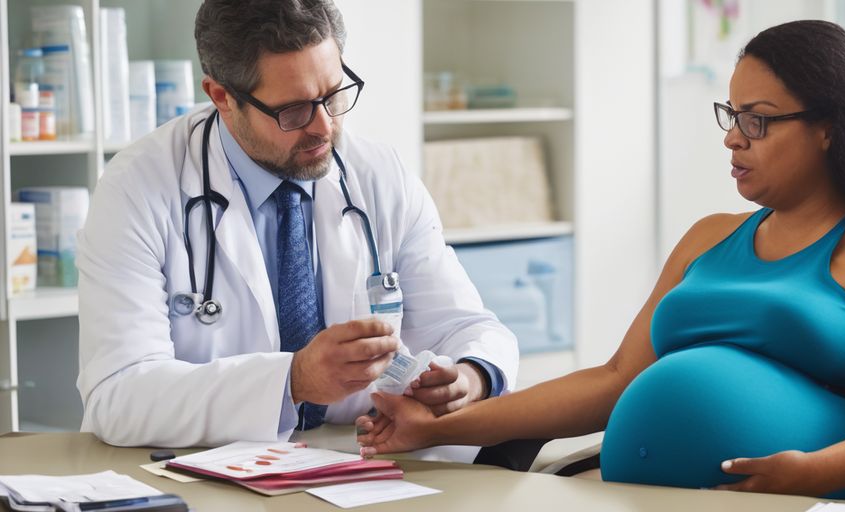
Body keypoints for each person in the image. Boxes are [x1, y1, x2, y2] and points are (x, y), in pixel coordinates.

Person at [355, 20, 845, 498]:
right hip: (640, 496)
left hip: (811, 499)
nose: (733, 136)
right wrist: (433, 430)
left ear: (829, 128)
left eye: (759, 121)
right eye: (732, 114)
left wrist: (812, 473)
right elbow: (611, 380)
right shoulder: (709, 237)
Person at [76, 0, 518, 449]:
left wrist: (470, 376)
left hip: (364, 461)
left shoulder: (379, 175)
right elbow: (118, 395)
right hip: (209, 474)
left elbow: (469, 326)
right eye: (293, 110)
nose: (324, 127)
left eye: (333, 94)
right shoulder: (139, 187)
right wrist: (292, 380)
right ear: (222, 97)